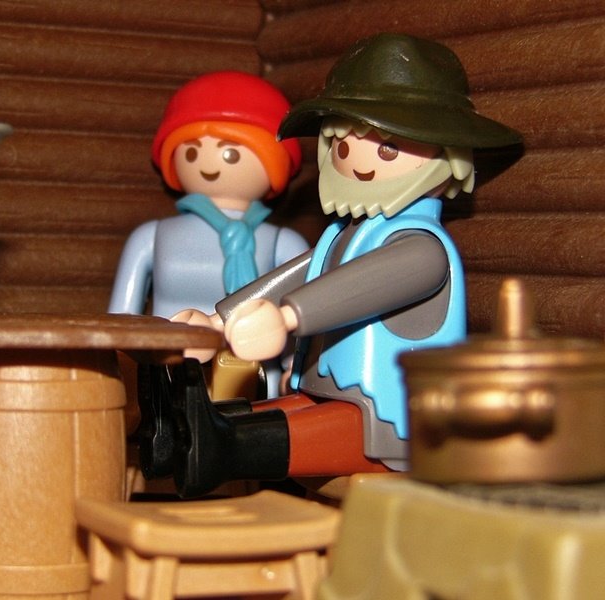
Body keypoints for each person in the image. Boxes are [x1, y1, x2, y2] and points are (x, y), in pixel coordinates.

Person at [167, 33, 523, 497]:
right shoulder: (344, 235)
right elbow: (297, 274)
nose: (360, 163)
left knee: (243, 440)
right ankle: (187, 432)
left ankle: (215, 446)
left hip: (393, 421)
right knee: (255, 417)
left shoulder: (423, 249)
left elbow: (360, 286)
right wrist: (218, 322)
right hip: (329, 394)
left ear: (449, 156)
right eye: (344, 146)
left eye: (388, 149)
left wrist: (287, 318)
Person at [109, 71, 309, 397]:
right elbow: (120, 320)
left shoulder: (283, 243)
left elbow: (302, 315)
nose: (209, 164)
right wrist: (120, 372)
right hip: (169, 375)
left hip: (258, 378)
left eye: (231, 152)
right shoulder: (151, 237)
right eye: (191, 151)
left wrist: (295, 369)